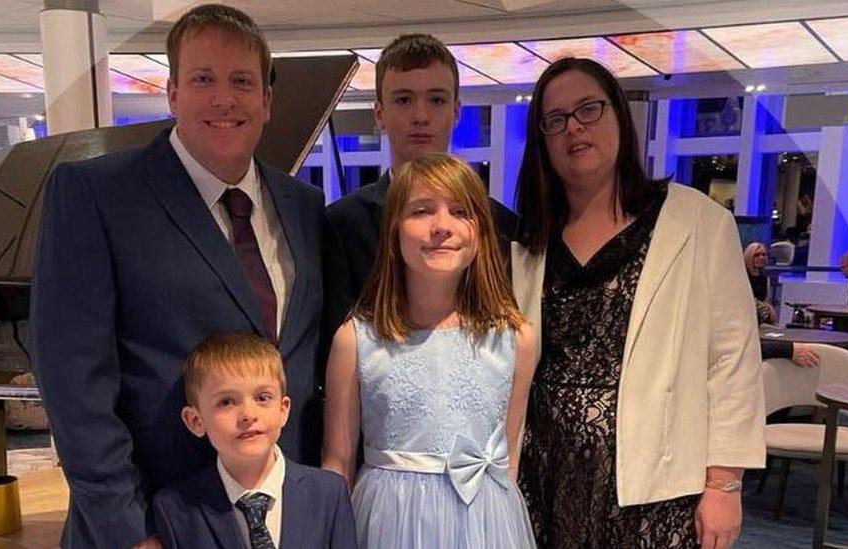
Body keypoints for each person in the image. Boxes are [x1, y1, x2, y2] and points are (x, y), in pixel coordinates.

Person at [30, 5, 325, 547]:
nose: (223, 98)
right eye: (202, 79)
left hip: (282, 516)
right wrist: (129, 530)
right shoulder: (96, 196)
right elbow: (76, 389)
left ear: (267, 99)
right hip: (158, 522)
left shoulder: (303, 205)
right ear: (171, 93)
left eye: (241, 81)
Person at [512, 57, 764, 549]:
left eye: (589, 109)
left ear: (620, 118)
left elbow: (733, 360)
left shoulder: (697, 222)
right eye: (556, 119)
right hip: (543, 476)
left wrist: (724, 484)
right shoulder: (527, 241)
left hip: (655, 481)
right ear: (541, 138)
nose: (574, 129)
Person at [322, 153, 537, 548]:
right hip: (388, 522)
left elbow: (508, 456)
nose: (442, 226)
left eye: (460, 211)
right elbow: (337, 463)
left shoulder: (515, 338)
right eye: (421, 210)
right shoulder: (355, 340)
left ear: (481, 232)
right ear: (394, 231)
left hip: (483, 524)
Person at [323, 33, 518, 341]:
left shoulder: (499, 225)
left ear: (456, 111)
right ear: (379, 114)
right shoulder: (342, 224)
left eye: (436, 100)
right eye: (403, 100)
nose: (420, 116)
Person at [153, 333, 357, 549]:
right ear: (195, 420)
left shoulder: (328, 493)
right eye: (226, 402)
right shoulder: (175, 510)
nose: (248, 414)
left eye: (262, 398)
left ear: (283, 409)